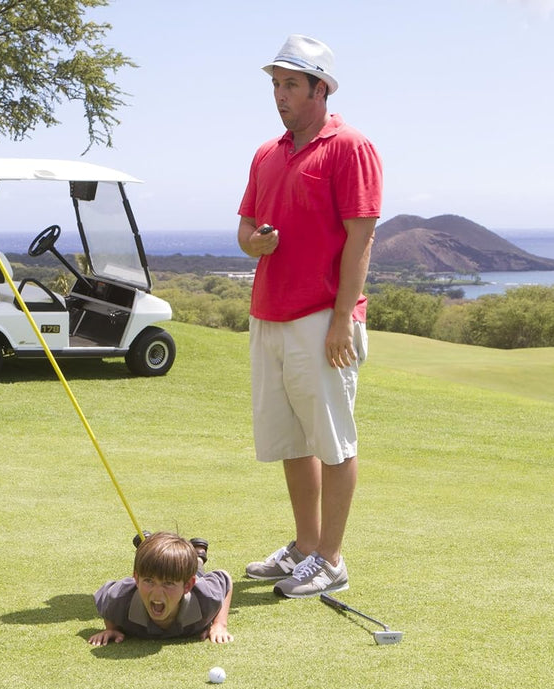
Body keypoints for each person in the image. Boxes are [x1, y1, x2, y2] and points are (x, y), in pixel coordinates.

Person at [237, 35, 383, 599]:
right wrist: (256, 245)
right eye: (276, 84)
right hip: (269, 313)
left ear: (320, 88)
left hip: (323, 316)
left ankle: (331, 559)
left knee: (333, 442)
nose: (280, 95)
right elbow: (246, 228)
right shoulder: (266, 154)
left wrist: (343, 317)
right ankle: (304, 546)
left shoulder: (350, 146)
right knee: (293, 441)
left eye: (292, 84)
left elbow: (361, 237)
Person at [89, 531, 233, 645]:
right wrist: (111, 628)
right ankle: (149, 547)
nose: (157, 593)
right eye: (149, 581)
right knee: (156, 564)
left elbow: (225, 579)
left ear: (187, 586)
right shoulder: (119, 597)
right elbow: (105, 597)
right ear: (136, 580)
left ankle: (197, 556)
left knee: (196, 568)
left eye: (168, 583)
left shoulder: (205, 596)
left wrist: (219, 624)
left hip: (192, 575)